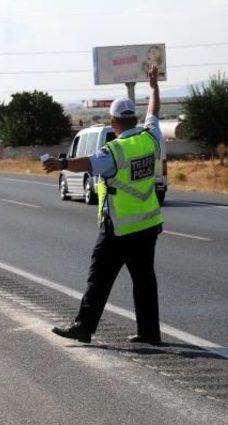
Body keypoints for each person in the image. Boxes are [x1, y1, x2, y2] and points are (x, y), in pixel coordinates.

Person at [42, 64, 164, 345]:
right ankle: (149, 332)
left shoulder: (115, 150)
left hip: (118, 228)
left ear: (113, 124)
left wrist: (60, 163)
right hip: (147, 225)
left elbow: (88, 163)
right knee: (145, 280)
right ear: (134, 119)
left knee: (99, 277)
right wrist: (154, 88)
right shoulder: (151, 139)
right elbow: (154, 113)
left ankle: (84, 328)